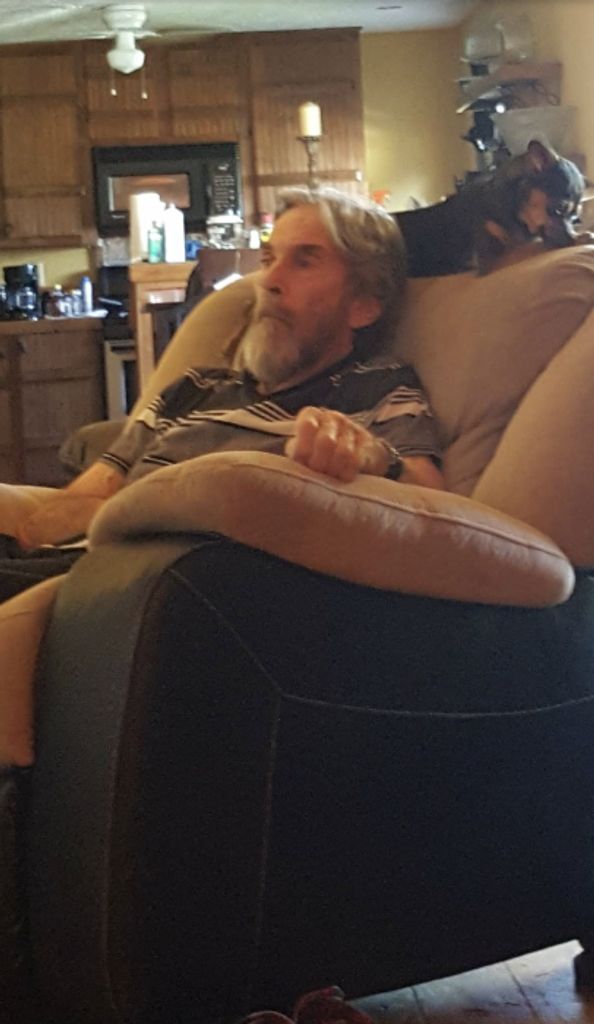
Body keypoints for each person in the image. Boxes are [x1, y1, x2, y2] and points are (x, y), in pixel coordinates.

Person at [0, 187, 443, 601]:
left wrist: (374, 459)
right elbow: (52, 520)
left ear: (364, 304)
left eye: (304, 262)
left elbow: (437, 513)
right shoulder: (191, 391)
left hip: (164, 591)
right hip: (70, 570)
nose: (268, 280)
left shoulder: (378, 387)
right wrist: (123, 511)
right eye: (268, 259)